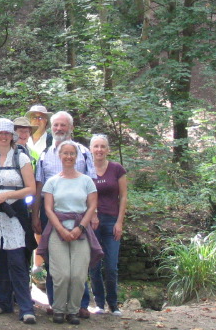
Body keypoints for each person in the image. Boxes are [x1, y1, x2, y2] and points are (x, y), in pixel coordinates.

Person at [32, 111, 96, 317]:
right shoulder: (45, 154)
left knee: (79, 263)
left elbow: (92, 185)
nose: (59, 129)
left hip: (80, 214)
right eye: (56, 125)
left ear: (71, 128)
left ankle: (81, 304)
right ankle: (55, 303)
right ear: (51, 128)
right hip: (51, 213)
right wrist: (35, 215)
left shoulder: (83, 152)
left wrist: (94, 214)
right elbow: (39, 186)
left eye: (63, 125)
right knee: (54, 260)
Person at [0, 118, 37, 324]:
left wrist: (7, 195)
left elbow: (31, 189)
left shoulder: (21, 158)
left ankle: (26, 307)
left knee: (17, 261)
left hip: (15, 217)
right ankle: (3, 301)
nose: (3, 136)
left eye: (6, 133)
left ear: (12, 136)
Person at [89, 135, 127, 316]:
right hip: (92, 222)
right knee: (94, 264)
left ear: (108, 149)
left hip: (112, 221)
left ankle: (113, 304)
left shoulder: (117, 169)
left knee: (111, 266)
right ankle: (99, 303)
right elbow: (84, 194)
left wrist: (119, 222)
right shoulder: (86, 169)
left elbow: (123, 196)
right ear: (91, 149)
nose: (99, 150)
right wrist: (92, 215)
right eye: (96, 146)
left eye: (103, 146)